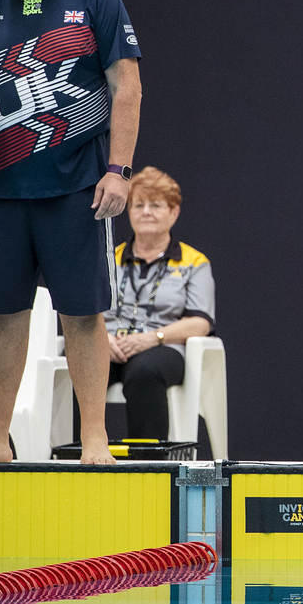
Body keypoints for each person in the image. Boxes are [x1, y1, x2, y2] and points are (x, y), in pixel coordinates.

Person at [0, 0, 142, 464]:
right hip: (2, 190)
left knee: (82, 312)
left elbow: (126, 86)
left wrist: (119, 170)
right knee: (4, 313)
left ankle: (94, 439)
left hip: (76, 187)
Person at [100, 167, 214, 440]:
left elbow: (201, 322)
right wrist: (101, 338)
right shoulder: (107, 258)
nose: (146, 212)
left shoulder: (193, 262)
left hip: (162, 347)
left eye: (156, 205)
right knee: (80, 363)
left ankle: (146, 462)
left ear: (173, 212)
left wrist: (153, 338)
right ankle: (73, 454)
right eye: (138, 205)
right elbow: (88, 311)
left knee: (145, 371)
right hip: (108, 344)